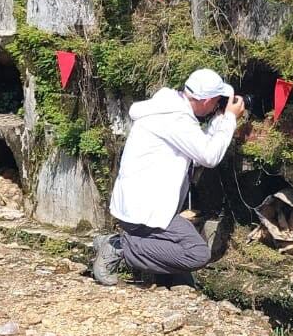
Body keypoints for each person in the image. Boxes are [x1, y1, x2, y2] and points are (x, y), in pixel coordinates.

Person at [92, 68, 246, 286]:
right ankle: (119, 247)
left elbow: (199, 148)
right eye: (217, 100)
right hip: (146, 212)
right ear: (206, 100)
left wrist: (220, 121)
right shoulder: (174, 119)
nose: (218, 105)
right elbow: (209, 156)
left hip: (142, 207)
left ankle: (168, 276)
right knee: (197, 254)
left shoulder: (168, 109)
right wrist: (229, 118)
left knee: (182, 264)